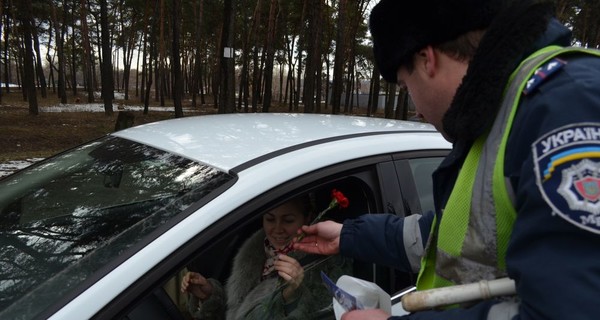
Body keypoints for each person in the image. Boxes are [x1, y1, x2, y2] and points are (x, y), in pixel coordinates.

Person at [294, 0, 600, 319]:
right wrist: (349, 235)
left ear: (427, 60)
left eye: (405, 86)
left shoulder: (569, 107)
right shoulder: (501, 115)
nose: (417, 109)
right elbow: (463, 234)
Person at [181, 195, 352, 319]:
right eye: (270, 219)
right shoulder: (254, 253)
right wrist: (209, 295)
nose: (277, 229)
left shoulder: (325, 264)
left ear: (307, 218)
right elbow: (239, 312)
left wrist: (290, 296)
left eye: (288, 220)